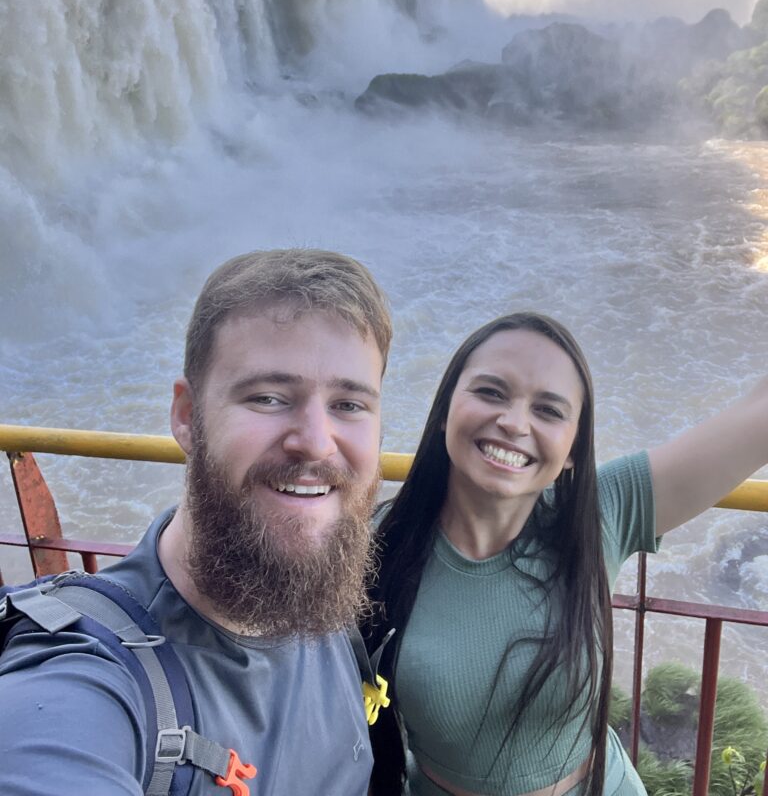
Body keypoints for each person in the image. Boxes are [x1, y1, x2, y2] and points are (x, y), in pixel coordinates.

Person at [0, 247, 392, 796]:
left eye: (349, 405)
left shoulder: (327, 584)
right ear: (187, 415)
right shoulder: (87, 675)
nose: (316, 441)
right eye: (269, 397)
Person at [364, 311, 768, 796]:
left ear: (574, 447)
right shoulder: (375, 543)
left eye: (549, 410)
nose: (513, 423)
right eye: (491, 392)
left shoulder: (598, 514)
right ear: (447, 404)